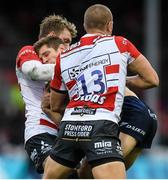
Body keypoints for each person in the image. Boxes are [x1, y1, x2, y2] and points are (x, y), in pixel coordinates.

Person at [42, 4, 159, 179]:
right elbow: (152, 79)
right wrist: (120, 80)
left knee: (54, 176)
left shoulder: (63, 57)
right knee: (88, 173)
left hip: (71, 127)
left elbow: (55, 106)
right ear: (109, 26)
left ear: (84, 27)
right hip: (102, 125)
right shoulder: (120, 43)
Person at [15, 15, 77, 174]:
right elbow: (35, 71)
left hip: (66, 133)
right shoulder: (29, 52)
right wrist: (77, 68)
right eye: (65, 41)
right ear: (51, 36)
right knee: (54, 172)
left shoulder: (65, 65)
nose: (68, 47)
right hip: (40, 131)